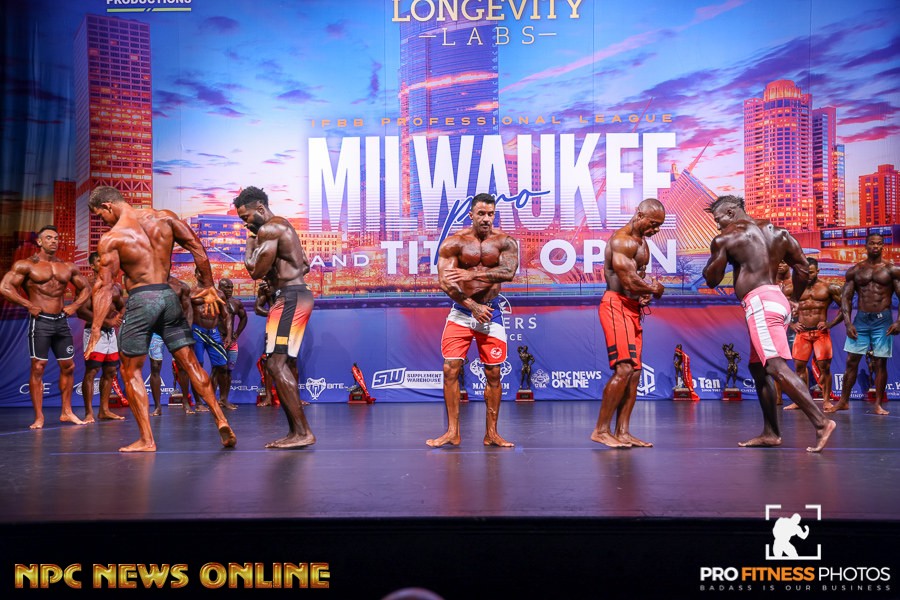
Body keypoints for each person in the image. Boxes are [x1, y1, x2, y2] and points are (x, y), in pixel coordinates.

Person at [86, 186, 236, 452]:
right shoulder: (164, 218)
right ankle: (221, 419)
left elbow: (106, 286)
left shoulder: (113, 238)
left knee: (130, 370)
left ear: (108, 206)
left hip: (142, 299)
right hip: (168, 297)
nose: (103, 221)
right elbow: (196, 247)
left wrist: (97, 327)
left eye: (100, 215)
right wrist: (208, 284)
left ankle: (146, 440)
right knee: (190, 362)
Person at [702, 195, 834, 452]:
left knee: (775, 366)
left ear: (731, 212)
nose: (717, 226)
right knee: (758, 368)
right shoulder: (779, 233)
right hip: (777, 299)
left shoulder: (727, 238)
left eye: (718, 220)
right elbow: (803, 268)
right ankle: (771, 433)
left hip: (760, 304)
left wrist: (718, 251)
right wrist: (794, 299)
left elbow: (711, 280)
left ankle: (821, 423)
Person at [428, 192, 518, 448]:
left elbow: (509, 272)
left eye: (491, 214)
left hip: (491, 311)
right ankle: (452, 432)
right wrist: (472, 305)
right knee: (450, 368)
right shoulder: (454, 243)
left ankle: (492, 434)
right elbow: (445, 281)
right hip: (463, 311)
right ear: (471, 215)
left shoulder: (505, 242)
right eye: (481, 214)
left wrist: (471, 276)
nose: (486, 219)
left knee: (494, 372)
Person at [234, 186, 315, 448]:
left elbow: (254, 271)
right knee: (276, 364)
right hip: (290, 295)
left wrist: (249, 247)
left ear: (260, 208)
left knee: (276, 365)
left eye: (246, 217)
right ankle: (295, 433)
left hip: (290, 298)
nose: (245, 223)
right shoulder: (284, 227)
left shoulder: (270, 228)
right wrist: (276, 279)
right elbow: (305, 264)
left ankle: (303, 433)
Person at [0, 225, 91, 429]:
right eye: (49, 238)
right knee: (38, 366)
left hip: (61, 321)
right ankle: (39, 417)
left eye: (56, 238)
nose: (54, 241)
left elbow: (86, 288)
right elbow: (5, 287)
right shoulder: (26, 265)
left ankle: (66, 412)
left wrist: (75, 306)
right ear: (39, 241)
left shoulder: (67, 266)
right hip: (40, 321)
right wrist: (28, 304)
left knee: (68, 366)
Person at [592, 198, 665, 448]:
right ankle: (601, 430)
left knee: (634, 373)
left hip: (632, 308)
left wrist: (643, 295)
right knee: (623, 368)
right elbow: (629, 281)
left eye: (659, 226)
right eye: (652, 224)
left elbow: (636, 279)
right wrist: (653, 289)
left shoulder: (642, 242)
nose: (655, 229)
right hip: (616, 305)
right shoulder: (621, 240)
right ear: (639, 214)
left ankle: (622, 432)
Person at [826, 233, 900, 415]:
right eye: (872, 243)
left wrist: (899, 321)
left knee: (880, 362)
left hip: (883, 320)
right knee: (851, 361)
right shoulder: (855, 271)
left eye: (879, 244)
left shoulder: (892, 270)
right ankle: (843, 401)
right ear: (866, 246)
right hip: (861, 320)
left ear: (883, 246)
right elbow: (846, 298)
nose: (876, 246)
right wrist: (848, 323)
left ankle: (878, 404)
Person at [781, 257, 843, 411]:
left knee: (824, 368)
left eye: (811, 273)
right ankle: (801, 401)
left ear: (818, 271)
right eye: (805, 273)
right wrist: (791, 323)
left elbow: (845, 308)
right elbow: (780, 308)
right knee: (799, 368)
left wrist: (830, 323)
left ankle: (826, 401)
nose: (808, 276)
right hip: (802, 334)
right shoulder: (791, 289)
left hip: (821, 333)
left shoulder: (828, 288)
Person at [76, 252, 127, 423]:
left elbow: (122, 305)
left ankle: (104, 410)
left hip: (110, 334)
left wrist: (118, 317)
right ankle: (89, 413)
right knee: (92, 371)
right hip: (93, 332)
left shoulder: (115, 286)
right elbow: (82, 311)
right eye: (99, 261)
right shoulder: (88, 286)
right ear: (92, 266)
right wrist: (107, 321)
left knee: (111, 370)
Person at [149, 277, 196, 416]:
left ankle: (185, 402)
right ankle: (157, 406)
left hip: (176, 329)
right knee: (155, 367)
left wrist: (186, 330)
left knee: (182, 366)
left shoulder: (181, 286)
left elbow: (188, 310)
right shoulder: (150, 285)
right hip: (156, 331)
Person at [190, 283, 232, 409]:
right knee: (198, 367)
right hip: (197, 331)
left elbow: (226, 315)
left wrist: (229, 334)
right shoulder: (192, 292)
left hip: (214, 332)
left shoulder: (218, 294)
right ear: (197, 274)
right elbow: (185, 311)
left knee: (223, 366)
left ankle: (223, 400)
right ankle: (198, 403)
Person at [216, 278, 247, 410]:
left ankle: (224, 399)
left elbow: (244, 317)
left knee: (228, 371)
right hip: (218, 340)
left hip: (232, 342)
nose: (229, 290)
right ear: (219, 288)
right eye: (226, 287)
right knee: (217, 370)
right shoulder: (215, 301)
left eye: (231, 287)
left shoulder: (236, 303)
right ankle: (213, 400)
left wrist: (237, 333)